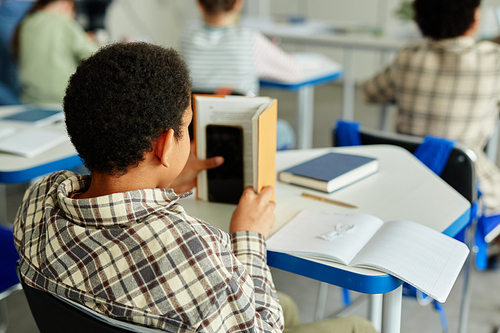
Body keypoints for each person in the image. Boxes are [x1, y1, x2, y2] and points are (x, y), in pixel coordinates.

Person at [14, 42, 375, 333]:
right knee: (358, 326)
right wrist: (248, 237)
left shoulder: (38, 201)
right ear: (164, 144)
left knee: (289, 306)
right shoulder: (195, 249)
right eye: (187, 127)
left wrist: (163, 178)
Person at [362, 0, 500, 217]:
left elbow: (369, 93)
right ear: (474, 18)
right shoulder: (493, 60)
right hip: (467, 186)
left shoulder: (408, 56)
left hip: (409, 177)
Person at [181, 0, 301, 150]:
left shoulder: (187, 38)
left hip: (199, 136)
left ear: (199, 5)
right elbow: (293, 70)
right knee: (284, 130)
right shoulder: (250, 39)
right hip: (243, 135)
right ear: (238, 4)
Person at [13, 0, 99, 104]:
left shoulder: (26, 23)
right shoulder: (63, 22)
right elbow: (95, 56)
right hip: (61, 101)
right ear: (66, 4)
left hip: (30, 100)